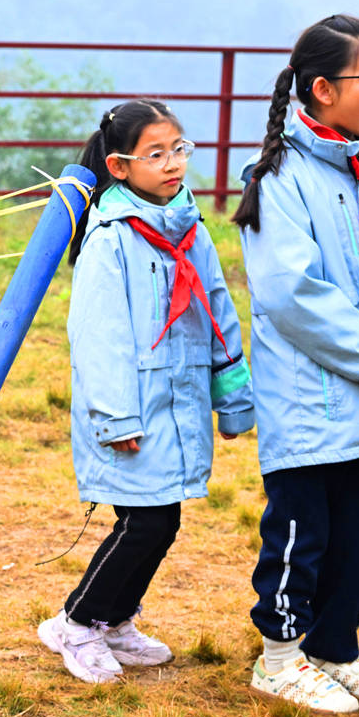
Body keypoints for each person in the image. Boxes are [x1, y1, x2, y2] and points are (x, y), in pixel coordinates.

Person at [37, 100, 252, 684]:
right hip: (131, 411)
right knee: (144, 524)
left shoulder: (188, 226)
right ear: (120, 166)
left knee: (165, 521)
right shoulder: (110, 240)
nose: (172, 163)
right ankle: (76, 623)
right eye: (155, 154)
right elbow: (97, 338)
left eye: (179, 149)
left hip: (177, 402)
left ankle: (116, 618)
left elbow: (218, 312)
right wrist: (116, 420)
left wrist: (232, 398)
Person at [233, 14, 359, 714]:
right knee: (304, 534)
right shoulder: (279, 179)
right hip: (317, 395)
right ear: (323, 89)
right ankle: (280, 657)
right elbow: (293, 296)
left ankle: (334, 646)